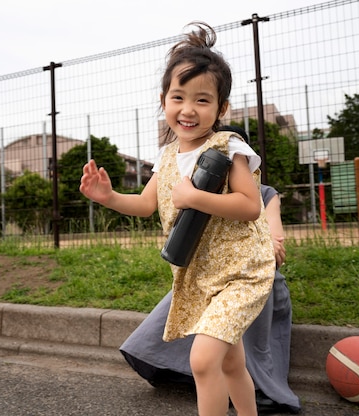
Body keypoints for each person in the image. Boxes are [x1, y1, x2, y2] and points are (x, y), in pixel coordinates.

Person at [80, 22, 275, 416]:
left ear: (221, 109)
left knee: (203, 360)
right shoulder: (168, 156)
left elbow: (251, 206)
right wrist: (109, 196)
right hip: (203, 277)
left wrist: (196, 197)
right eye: (178, 97)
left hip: (242, 272)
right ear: (163, 100)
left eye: (202, 101)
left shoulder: (228, 147)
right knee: (230, 362)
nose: (188, 110)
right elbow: (146, 205)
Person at [120, 183, 302, 414]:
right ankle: (193, 375)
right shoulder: (201, 183)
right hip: (214, 274)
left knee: (214, 358)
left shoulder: (264, 193)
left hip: (251, 273)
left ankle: (259, 384)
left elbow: (275, 244)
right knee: (220, 349)